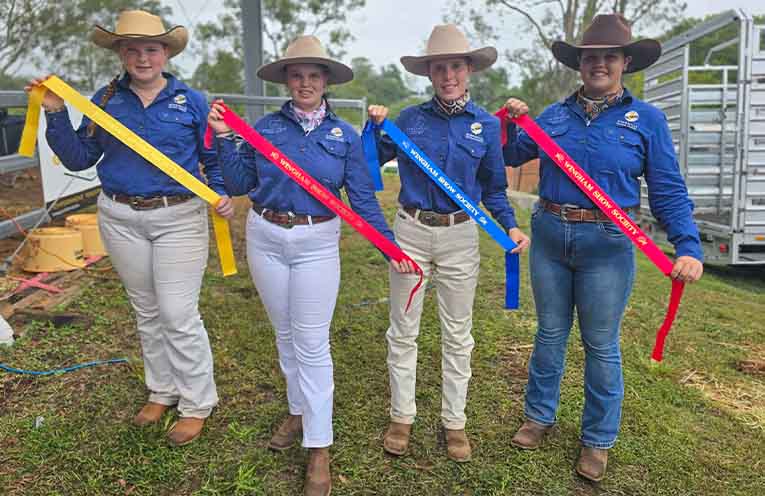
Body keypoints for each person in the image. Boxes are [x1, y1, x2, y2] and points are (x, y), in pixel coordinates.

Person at [207, 35, 413, 496]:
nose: (304, 82)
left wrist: (391, 249)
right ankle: (298, 409)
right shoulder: (265, 127)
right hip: (264, 234)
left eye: (313, 76)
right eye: (296, 75)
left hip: (317, 240)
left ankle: (319, 446)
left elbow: (361, 198)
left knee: (312, 342)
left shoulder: (344, 136)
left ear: (325, 82)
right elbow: (240, 183)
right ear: (286, 80)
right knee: (285, 335)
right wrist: (224, 138)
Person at [501, 14, 704, 482]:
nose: (599, 64)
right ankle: (539, 416)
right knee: (549, 334)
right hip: (551, 234)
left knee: (601, 344)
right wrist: (513, 122)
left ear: (624, 63)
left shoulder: (647, 120)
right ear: (580, 63)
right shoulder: (552, 116)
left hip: (609, 244)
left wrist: (687, 245)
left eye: (608, 57)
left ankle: (597, 440)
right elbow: (510, 156)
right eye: (590, 57)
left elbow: (668, 188)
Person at [25, 10, 233, 447]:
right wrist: (56, 114)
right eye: (132, 48)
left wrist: (221, 192)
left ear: (165, 52)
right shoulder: (103, 100)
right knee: (146, 309)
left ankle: (197, 402)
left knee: (178, 313)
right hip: (120, 216)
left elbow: (211, 156)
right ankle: (162, 390)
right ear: (120, 53)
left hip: (178, 216)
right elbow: (81, 158)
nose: (142, 57)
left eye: (151, 48)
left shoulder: (191, 100)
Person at [367, 24, 530, 463]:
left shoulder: (487, 125)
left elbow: (494, 188)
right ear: (430, 73)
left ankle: (453, 421)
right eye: (440, 67)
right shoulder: (407, 120)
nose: (448, 74)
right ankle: (402, 416)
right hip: (412, 231)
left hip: (461, 235)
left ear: (469, 69)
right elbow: (368, 164)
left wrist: (510, 226)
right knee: (403, 330)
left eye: (456, 65)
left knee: (458, 334)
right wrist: (371, 127)